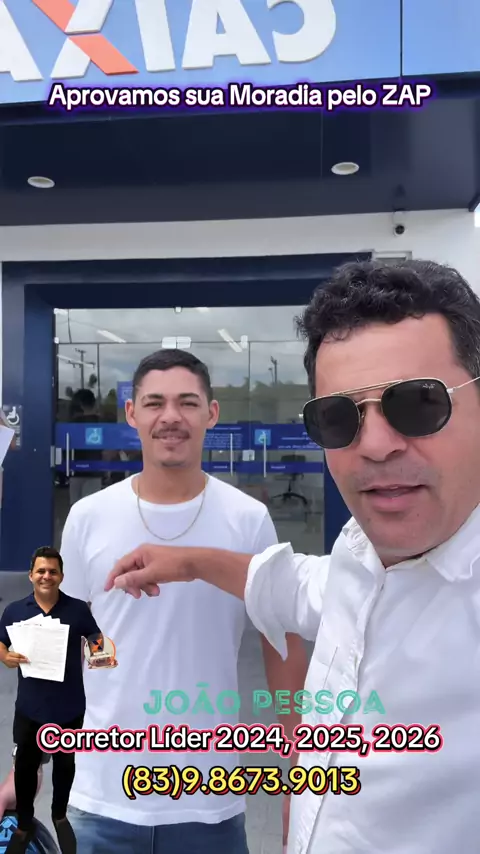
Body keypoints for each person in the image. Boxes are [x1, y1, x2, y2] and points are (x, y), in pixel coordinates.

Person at [106, 258, 480, 853]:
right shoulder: (359, 557)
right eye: (339, 417)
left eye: (417, 404)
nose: (376, 444)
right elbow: (292, 586)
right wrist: (190, 562)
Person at [59, 348, 308, 854]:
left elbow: (280, 644)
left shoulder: (247, 519)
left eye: (187, 403)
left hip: (208, 800)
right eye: (154, 403)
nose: (170, 416)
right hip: (101, 798)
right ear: (132, 414)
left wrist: (300, 770)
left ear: (211, 414)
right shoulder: (88, 517)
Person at [0, 546, 103, 854]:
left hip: (68, 707)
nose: (47, 576)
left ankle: (59, 814)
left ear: (61, 576)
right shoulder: (15, 611)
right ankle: (24, 823)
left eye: (53, 571)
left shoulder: (78, 610)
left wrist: (99, 653)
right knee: (26, 767)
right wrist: (5, 656)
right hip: (29, 707)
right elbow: (1, 642)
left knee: (64, 765)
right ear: (31, 575)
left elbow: (96, 640)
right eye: (41, 571)